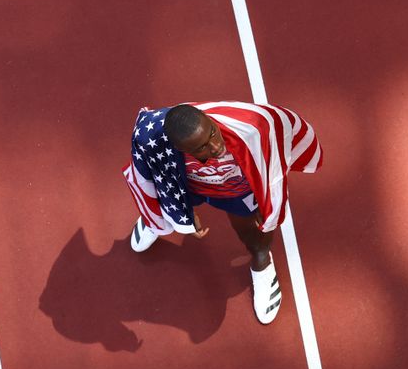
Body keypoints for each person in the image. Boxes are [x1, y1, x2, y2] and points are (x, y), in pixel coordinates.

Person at [122, 101, 322, 324]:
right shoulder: (153, 138)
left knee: (253, 231)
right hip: (188, 184)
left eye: (213, 134)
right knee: (160, 196)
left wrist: (265, 201)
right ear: (180, 148)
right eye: (202, 148)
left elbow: (275, 154)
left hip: (234, 190)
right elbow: (145, 174)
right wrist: (180, 216)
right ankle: (157, 222)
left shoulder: (251, 128)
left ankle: (262, 260)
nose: (216, 147)